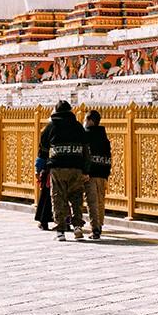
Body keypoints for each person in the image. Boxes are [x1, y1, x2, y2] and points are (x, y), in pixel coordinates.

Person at [37, 100, 89, 242]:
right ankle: (77, 226)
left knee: (58, 197)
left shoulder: (51, 126)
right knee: (76, 198)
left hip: (57, 167)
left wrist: (41, 167)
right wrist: (86, 170)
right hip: (76, 167)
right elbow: (86, 150)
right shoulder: (78, 126)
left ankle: (60, 230)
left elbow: (43, 149)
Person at [83, 110, 111, 240]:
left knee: (92, 202)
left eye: (85, 119)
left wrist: (85, 171)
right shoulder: (103, 136)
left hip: (91, 174)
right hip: (102, 173)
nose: (84, 122)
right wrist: (106, 173)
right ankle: (99, 224)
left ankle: (95, 229)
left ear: (90, 121)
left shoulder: (86, 135)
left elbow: (85, 156)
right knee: (100, 201)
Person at [34, 157, 53, 231]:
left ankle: (44, 221)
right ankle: (65, 222)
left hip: (49, 172)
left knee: (46, 198)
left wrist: (38, 170)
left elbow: (41, 156)